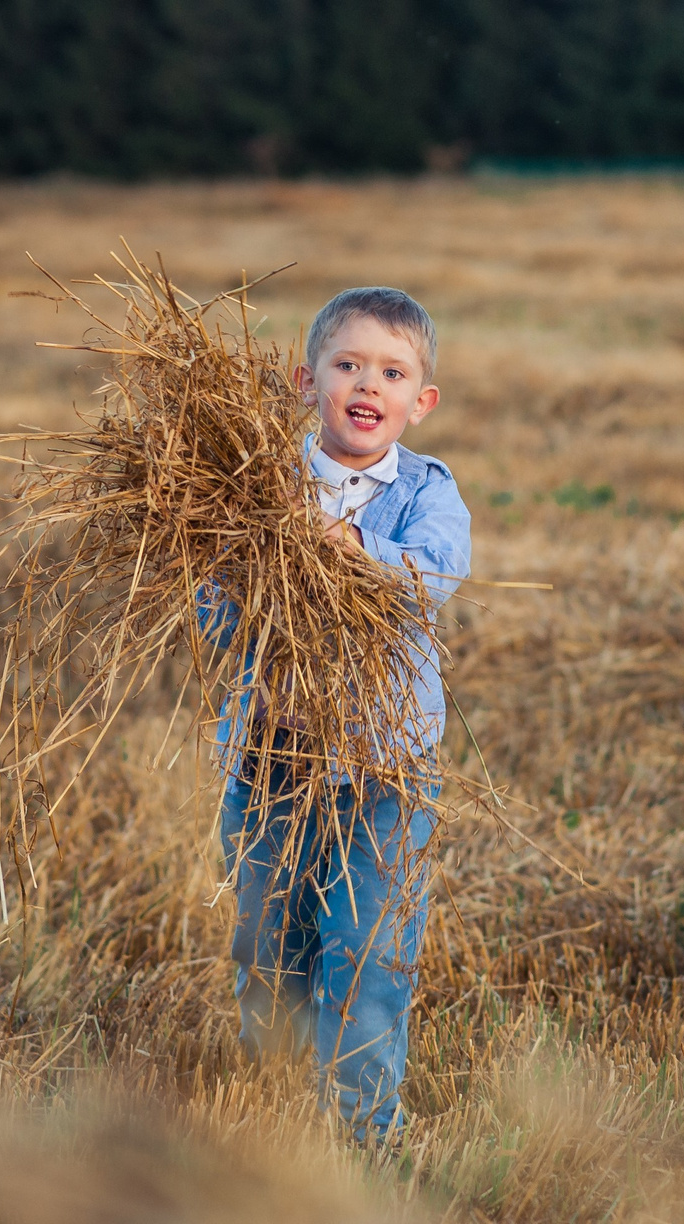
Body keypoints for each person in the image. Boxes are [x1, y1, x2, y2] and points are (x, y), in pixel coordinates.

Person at [212, 285, 472, 1141]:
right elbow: (213, 618)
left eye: (392, 372)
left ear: (419, 403)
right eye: (348, 364)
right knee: (269, 948)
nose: (368, 384)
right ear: (306, 379)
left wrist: (350, 549)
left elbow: (434, 578)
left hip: (385, 767)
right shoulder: (257, 490)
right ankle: (273, 1121)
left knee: (368, 954)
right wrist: (244, 558)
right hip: (271, 761)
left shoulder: (428, 495)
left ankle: (363, 1133)